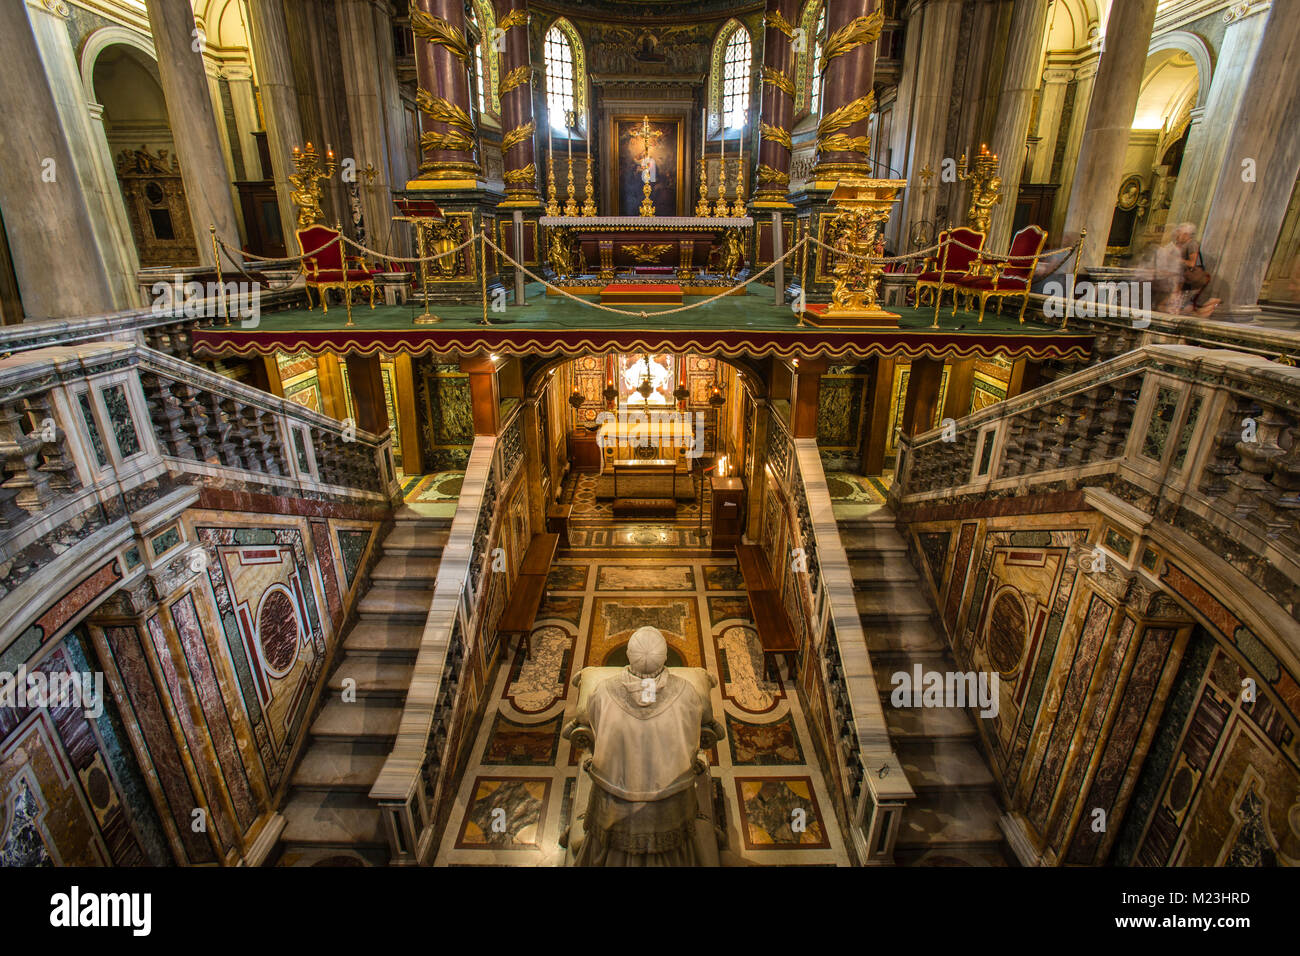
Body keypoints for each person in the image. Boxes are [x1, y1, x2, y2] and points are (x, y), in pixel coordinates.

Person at [574, 627, 717, 866]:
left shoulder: (603, 692)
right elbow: (693, 743)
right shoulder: (687, 694)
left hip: (616, 808)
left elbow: (597, 734)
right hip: (669, 808)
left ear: (629, 655)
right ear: (665, 657)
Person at [1153, 222, 1220, 316]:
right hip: (1177, 278)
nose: (1176, 235)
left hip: (1186, 279)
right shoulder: (1179, 244)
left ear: (1186, 234)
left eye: (1179, 233)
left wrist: (1173, 258)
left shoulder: (1192, 244)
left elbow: (1192, 263)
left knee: (1179, 303)